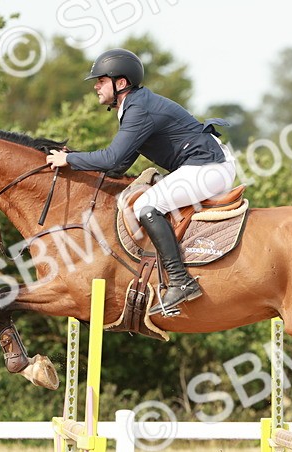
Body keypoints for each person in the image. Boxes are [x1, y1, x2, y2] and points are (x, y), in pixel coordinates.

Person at [45, 48, 236, 316]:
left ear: (121, 83)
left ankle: (180, 281)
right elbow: (120, 164)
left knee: (146, 206)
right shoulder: (134, 106)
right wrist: (75, 160)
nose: (96, 86)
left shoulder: (138, 109)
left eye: (101, 81)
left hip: (209, 168)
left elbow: (112, 159)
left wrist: (69, 160)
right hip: (204, 165)